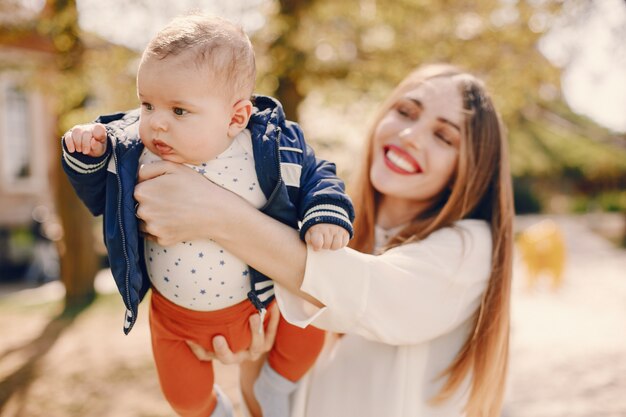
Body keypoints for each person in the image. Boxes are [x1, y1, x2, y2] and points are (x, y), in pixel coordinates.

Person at [129, 63, 515, 417]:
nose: (411, 135)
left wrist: (213, 212)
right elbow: (272, 405)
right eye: (405, 112)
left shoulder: (470, 248)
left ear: (471, 170)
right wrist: (253, 354)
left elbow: (369, 290)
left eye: (443, 137)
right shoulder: (323, 229)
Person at [61, 14, 354, 417]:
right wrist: (88, 157)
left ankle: (278, 383)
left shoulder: (265, 146)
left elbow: (317, 174)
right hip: (175, 319)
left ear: (235, 118)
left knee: (309, 332)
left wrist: (324, 213)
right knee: (183, 398)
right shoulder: (134, 151)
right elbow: (98, 198)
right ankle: (214, 411)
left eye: (179, 111)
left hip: (260, 302)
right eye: (147, 104)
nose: (157, 121)